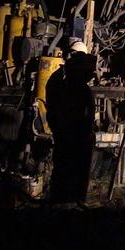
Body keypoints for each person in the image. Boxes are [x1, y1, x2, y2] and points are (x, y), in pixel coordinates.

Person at [46, 40, 96, 205]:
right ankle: (73, 205)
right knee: (76, 174)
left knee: (62, 171)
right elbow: (87, 115)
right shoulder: (78, 87)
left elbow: (52, 111)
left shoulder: (57, 79)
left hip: (64, 135)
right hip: (76, 136)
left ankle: (60, 205)